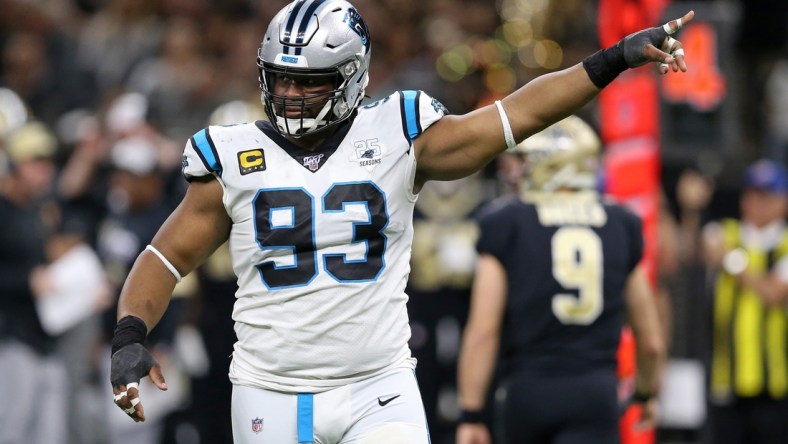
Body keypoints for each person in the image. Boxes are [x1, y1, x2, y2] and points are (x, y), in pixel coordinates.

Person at [109, 1, 692, 442]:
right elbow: (165, 258)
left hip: (377, 387)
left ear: (352, 76)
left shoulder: (399, 133)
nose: (289, 95)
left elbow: (515, 114)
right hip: (270, 390)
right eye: (281, 78)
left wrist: (613, 59)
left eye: (309, 82)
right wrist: (130, 333)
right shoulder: (232, 152)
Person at [455, 116, 665, 444]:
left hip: (527, 391)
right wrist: (645, 393)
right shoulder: (622, 222)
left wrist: (471, 413)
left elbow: (483, 331)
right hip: (595, 393)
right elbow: (650, 340)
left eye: (526, 161)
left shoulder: (506, 221)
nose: (516, 171)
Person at [702, 159, 788, 444]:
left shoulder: (785, 243)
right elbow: (704, 245)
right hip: (726, 379)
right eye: (751, 194)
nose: (756, 203)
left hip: (774, 383)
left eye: (765, 195)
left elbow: (774, 293)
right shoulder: (726, 231)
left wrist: (733, 262)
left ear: (782, 201)